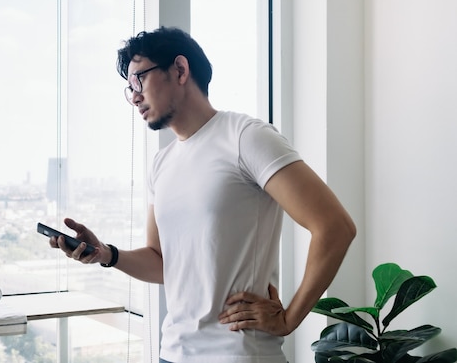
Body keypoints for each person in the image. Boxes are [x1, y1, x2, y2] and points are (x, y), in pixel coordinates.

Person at [49, 26, 356, 363]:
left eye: (140, 80)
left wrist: (288, 318)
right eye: (129, 88)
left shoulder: (246, 137)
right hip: (173, 352)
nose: (134, 95)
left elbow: (334, 227)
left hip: (237, 354)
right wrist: (106, 253)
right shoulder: (161, 163)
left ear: (180, 70)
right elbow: (163, 263)